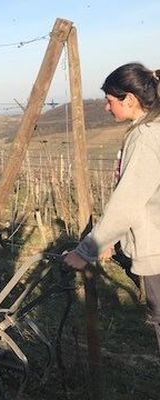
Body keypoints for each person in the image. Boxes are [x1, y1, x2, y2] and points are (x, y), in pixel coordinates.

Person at [64, 62, 160, 355]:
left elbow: (127, 203)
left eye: (110, 101)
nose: (106, 108)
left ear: (129, 99)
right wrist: (114, 241)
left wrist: (85, 251)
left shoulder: (145, 139)